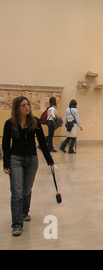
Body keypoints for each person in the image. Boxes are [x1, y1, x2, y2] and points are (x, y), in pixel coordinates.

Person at [2, 96, 54, 236]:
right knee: (17, 191)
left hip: (32, 159)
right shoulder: (9, 124)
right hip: (15, 159)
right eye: (24, 105)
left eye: (28, 105)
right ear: (17, 108)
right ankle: (17, 224)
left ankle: (24, 212)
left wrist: (49, 159)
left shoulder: (35, 121)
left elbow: (42, 141)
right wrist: (6, 164)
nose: (27, 107)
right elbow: (5, 146)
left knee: (26, 189)